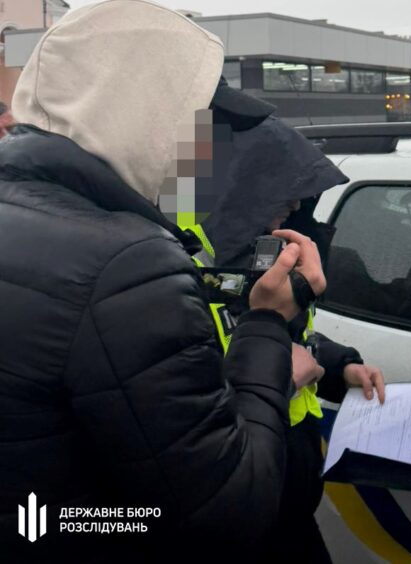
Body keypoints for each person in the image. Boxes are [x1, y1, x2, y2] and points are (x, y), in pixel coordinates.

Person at [0, 2, 323, 561]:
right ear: (138, 113)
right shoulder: (125, 260)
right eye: (197, 123)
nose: (205, 152)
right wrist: (269, 326)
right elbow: (230, 511)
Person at [172, 93, 386, 562]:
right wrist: (284, 377)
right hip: (235, 518)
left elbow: (292, 339)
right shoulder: (176, 275)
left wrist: (341, 368)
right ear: (239, 186)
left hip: (286, 501)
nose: (295, 202)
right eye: (281, 187)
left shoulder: (256, 256)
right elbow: (181, 407)